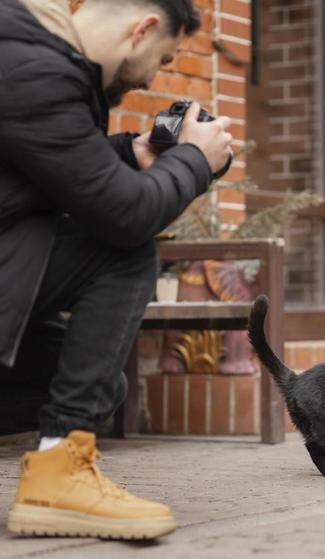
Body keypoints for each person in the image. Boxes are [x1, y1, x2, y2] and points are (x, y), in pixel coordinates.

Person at [0, 0, 232, 539]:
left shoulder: (27, 57)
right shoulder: (36, 70)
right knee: (121, 252)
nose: (156, 74)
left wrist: (132, 155)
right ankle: (58, 480)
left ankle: (63, 462)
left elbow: (27, 178)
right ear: (142, 29)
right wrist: (193, 160)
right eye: (165, 59)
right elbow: (125, 219)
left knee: (91, 382)